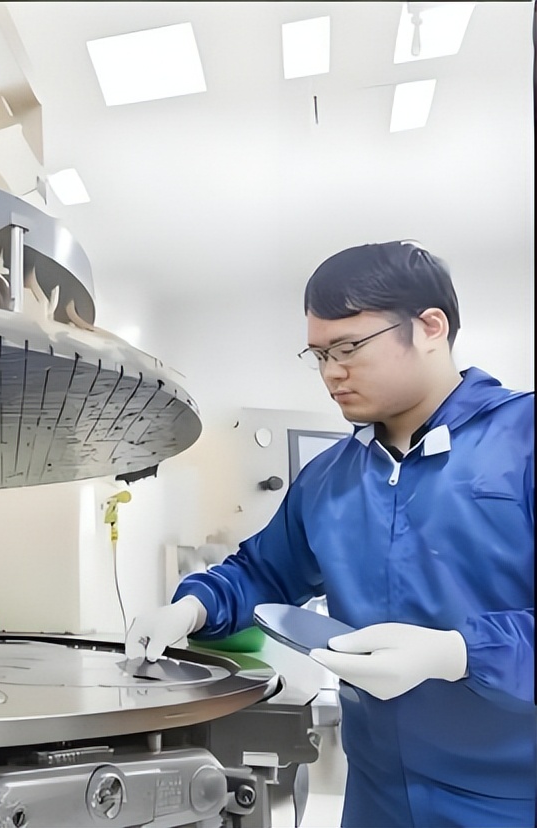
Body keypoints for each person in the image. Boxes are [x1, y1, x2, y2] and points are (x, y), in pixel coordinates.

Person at [126, 241, 534, 828]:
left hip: (512, 798)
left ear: (430, 327)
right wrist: (191, 608)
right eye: (318, 354)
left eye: (348, 348)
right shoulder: (329, 477)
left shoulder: (522, 439)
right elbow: (263, 572)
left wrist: (460, 653)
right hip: (376, 792)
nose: (330, 373)